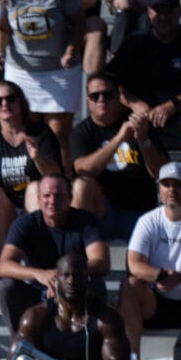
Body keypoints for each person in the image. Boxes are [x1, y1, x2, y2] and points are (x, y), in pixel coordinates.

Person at [0, 0, 83, 158]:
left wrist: (71, 49)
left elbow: (79, 23)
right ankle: (32, 178)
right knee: (26, 133)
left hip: (59, 69)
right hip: (22, 70)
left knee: (59, 134)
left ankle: (64, 177)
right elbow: (0, 26)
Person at [117, 156, 181, 355]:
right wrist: (161, 276)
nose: (171, 190)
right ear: (159, 189)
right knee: (129, 286)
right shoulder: (148, 221)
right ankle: (131, 359)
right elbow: (134, 264)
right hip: (155, 300)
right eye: (166, 184)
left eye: (178, 185)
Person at [0, 169, 108, 333]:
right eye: (46, 196)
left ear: (70, 198)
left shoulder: (86, 222)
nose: (52, 201)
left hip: (74, 289)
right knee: (7, 287)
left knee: (96, 284)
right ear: (38, 199)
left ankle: (87, 340)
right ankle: (21, 341)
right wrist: (39, 274)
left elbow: (102, 262)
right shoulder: (25, 224)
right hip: (38, 291)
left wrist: (61, 277)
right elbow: (4, 265)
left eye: (59, 196)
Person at [0, 79, 62, 272]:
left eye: (10, 98)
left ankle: (39, 261)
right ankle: (1, 261)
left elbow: (56, 175)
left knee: (35, 187)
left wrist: (37, 158)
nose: (5, 104)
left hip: (37, 208)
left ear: (20, 102)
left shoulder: (40, 132)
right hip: (4, 211)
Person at [108, 0, 181, 146]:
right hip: (139, 120)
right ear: (149, 12)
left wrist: (174, 104)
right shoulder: (134, 42)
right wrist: (134, 103)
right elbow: (111, 80)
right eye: (158, 11)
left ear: (180, 12)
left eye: (169, 11)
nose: (163, 17)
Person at [70, 71, 163, 240]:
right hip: (103, 212)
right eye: (95, 96)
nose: (101, 100)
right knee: (81, 186)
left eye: (107, 94)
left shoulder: (139, 124)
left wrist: (144, 140)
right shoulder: (82, 132)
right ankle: (81, 251)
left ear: (118, 97)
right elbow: (83, 170)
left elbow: (160, 172)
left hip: (140, 212)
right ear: (88, 100)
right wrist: (119, 138)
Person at [14, 247, 130, 360]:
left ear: (87, 278)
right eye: (66, 275)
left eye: (77, 275)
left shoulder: (107, 318)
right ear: (56, 279)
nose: (71, 281)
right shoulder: (35, 317)